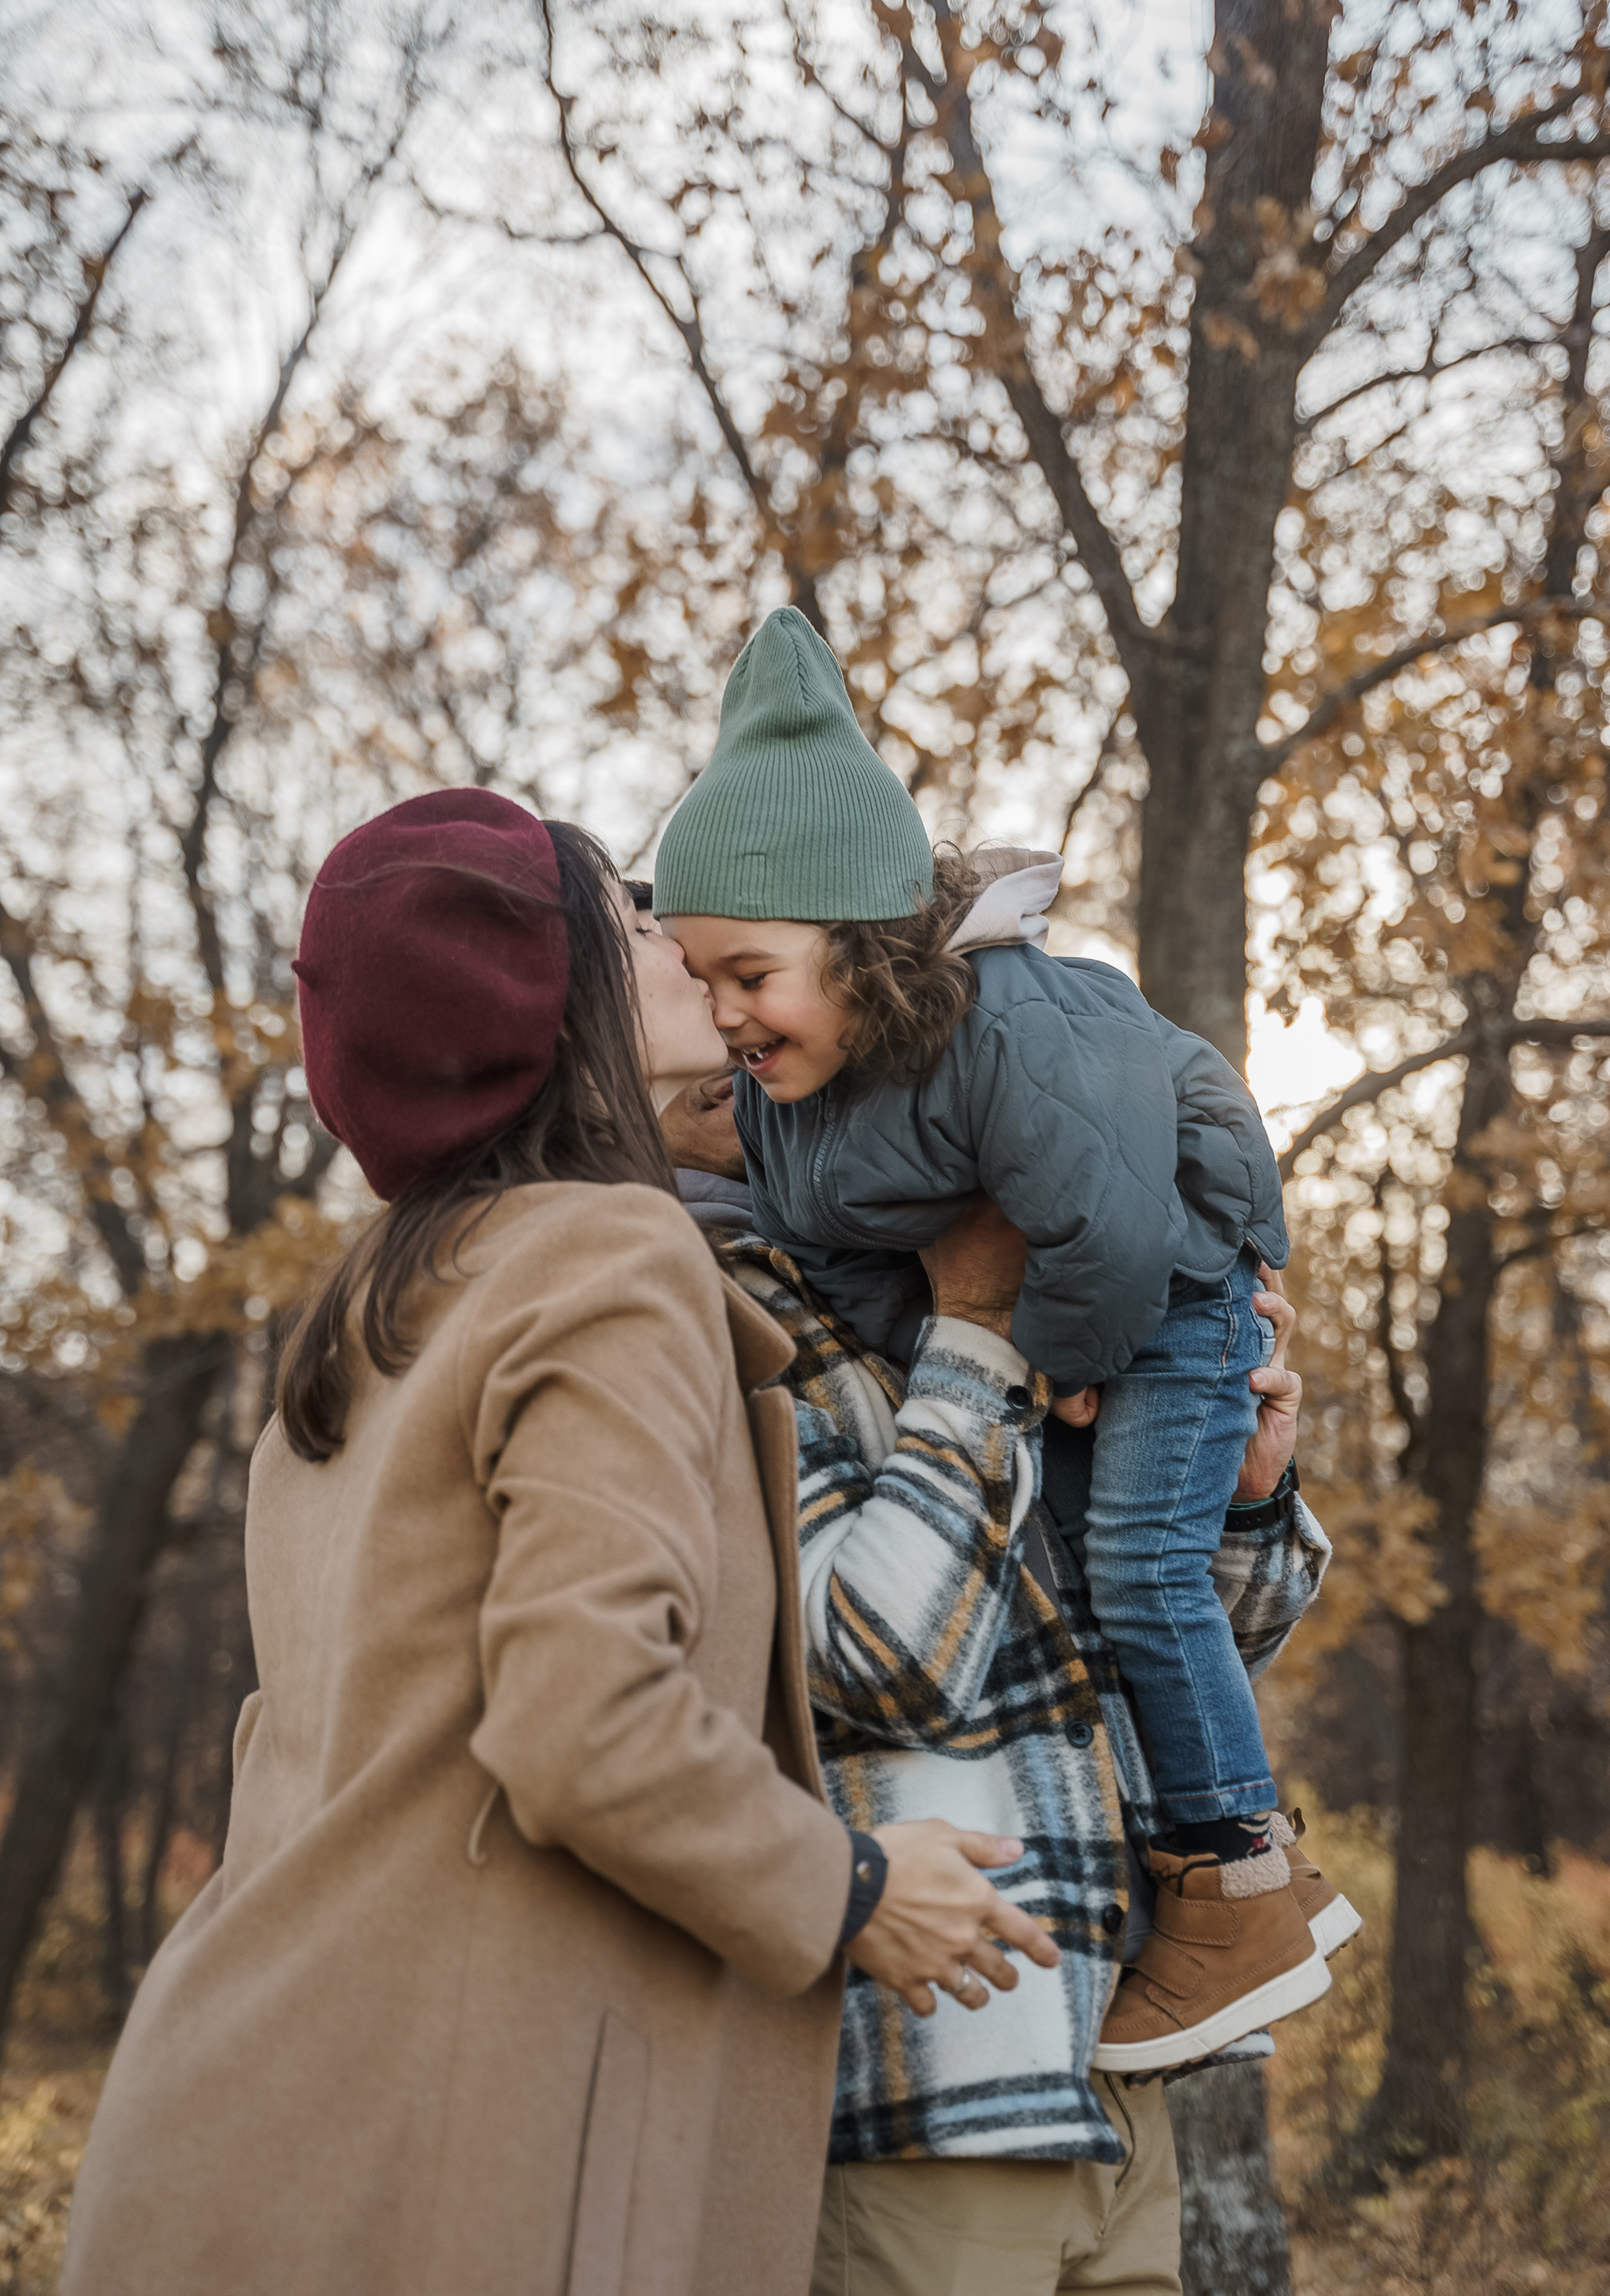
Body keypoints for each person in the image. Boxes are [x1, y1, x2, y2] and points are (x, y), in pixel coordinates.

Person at [60, 789, 1060, 2296]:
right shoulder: (606, 1253)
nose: (680, 934)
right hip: (465, 2160)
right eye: (637, 913)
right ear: (568, 991)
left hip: (247, 2123)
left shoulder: (372, 1313)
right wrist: (851, 1888)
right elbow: (583, 1715)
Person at [655, 607, 1357, 2071]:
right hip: (973, 2050)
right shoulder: (742, 1210)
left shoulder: (1010, 1034)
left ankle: (1234, 1878)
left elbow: (1102, 1231)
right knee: (1128, 1566)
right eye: (692, 977)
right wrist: (970, 1340)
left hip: (1155, 1303)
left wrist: (1105, 1389)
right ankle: (1237, 1882)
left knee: (1143, 1563)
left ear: (856, 948)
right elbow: (857, 1282)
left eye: (745, 977)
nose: (722, 1019)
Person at [652, 1051, 1337, 2296]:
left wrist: (1234, 1497)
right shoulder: (705, 1308)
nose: (738, 1043)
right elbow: (878, 1660)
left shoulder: (944, 1255)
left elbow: (1180, 1658)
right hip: (936, 2073)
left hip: (1124, 2046)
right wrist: (970, 1331)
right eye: (714, 991)